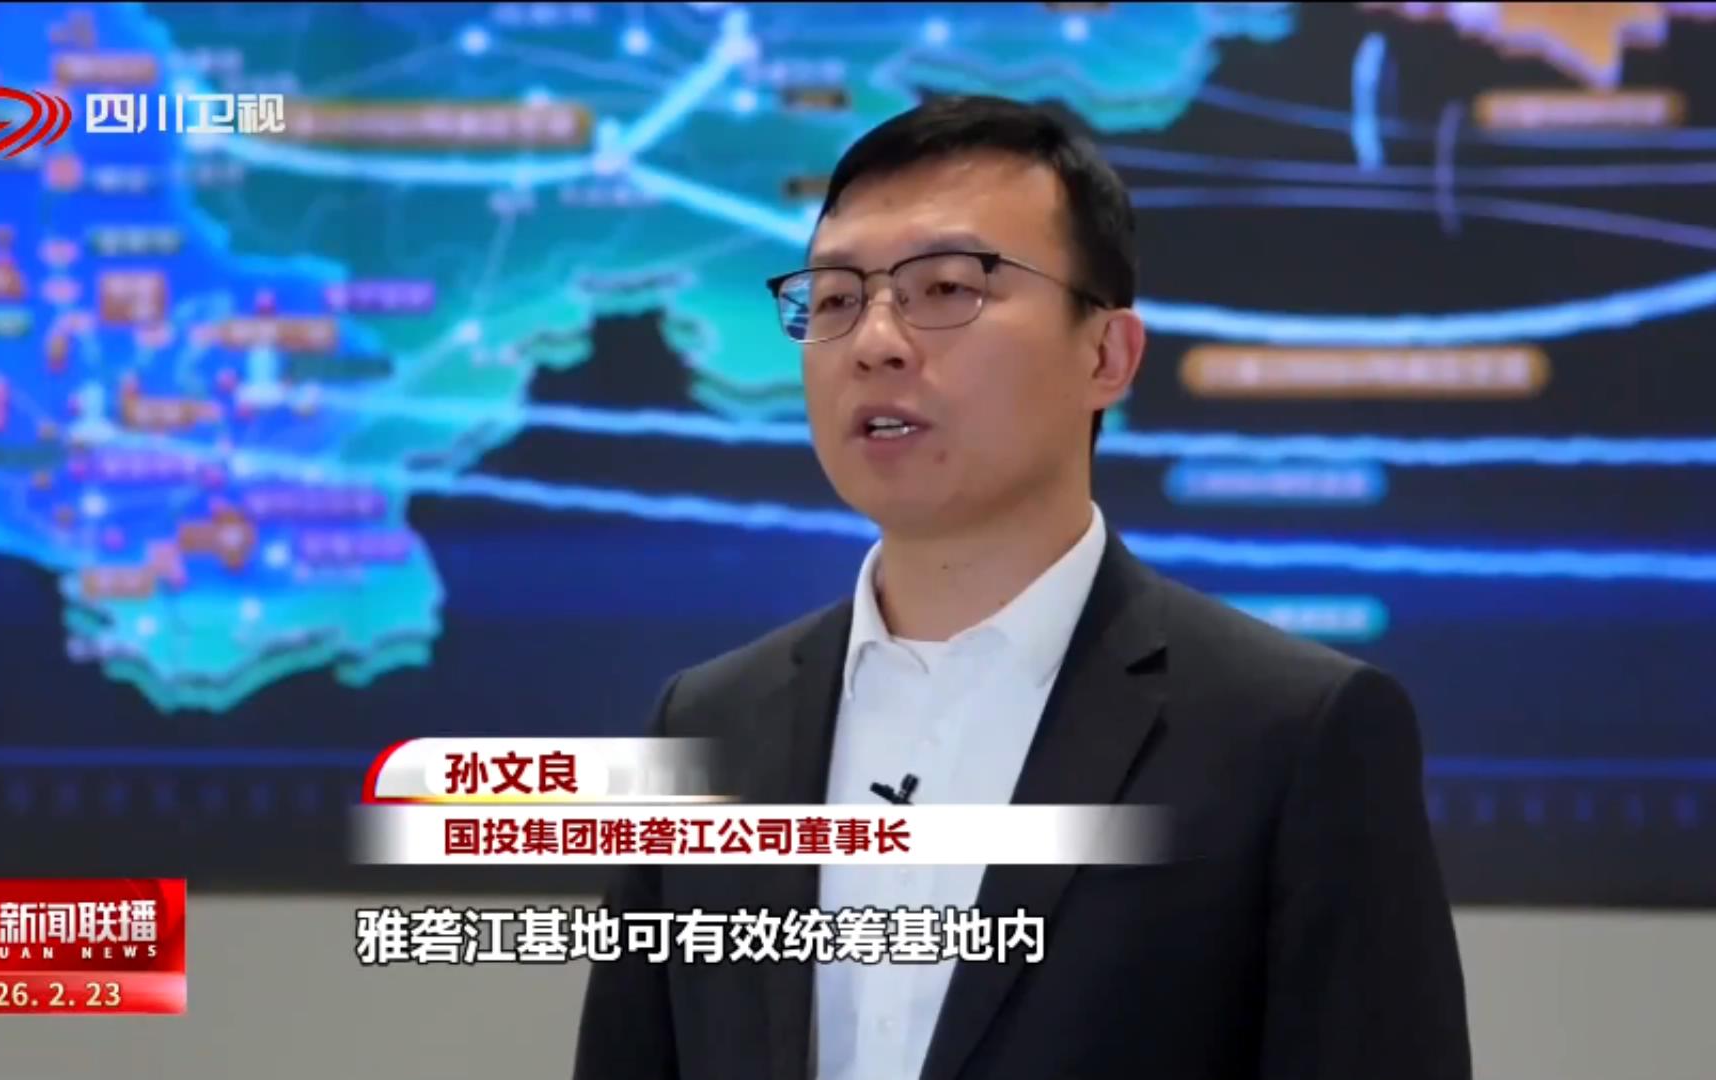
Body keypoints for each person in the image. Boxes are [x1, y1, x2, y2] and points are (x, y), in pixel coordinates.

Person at [572, 94, 1471, 1080]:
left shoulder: (1291, 737)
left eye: (947, 288)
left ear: (1106, 355)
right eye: (834, 300)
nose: (875, 341)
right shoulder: (706, 726)